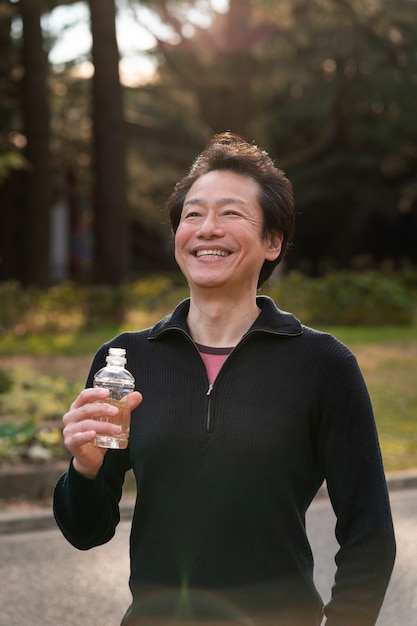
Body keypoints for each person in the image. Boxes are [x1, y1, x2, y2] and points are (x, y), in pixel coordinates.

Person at [53, 132, 396, 626]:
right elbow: (87, 531)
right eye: (192, 215)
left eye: (231, 213)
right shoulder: (125, 362)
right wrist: (84, 471)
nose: (206, 229)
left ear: (272, 242)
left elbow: (369, 532)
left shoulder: (324, 364)